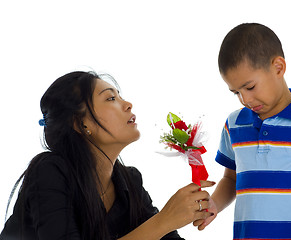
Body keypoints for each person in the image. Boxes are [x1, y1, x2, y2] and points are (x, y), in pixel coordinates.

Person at [0, 71, 215, 240]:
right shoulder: (49, 172)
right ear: (81, 123)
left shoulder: (129, 181)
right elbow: (158, 228)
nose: (127, 103)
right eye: (111, 98)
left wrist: (189, 212)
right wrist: (164, 221)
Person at [193, 23, 291, 239]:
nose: (245, 99)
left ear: (278, 68)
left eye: (250, 87)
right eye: (236, 92)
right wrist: (214, 203)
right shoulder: (234, 124)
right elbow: (231, 179)